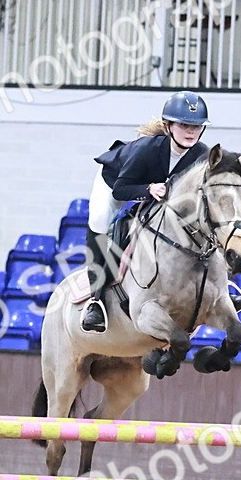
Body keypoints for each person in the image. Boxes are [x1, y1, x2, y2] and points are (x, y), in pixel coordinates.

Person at [80, 91, 212, 333]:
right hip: (116, 182)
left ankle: (217, 290)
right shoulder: (147, 149)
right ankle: (96, 300)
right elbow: (121, 190)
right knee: (100, 221)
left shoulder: (202, 155)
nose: (191, 131)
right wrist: (149, 188)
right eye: (184, 124)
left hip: (159, 191)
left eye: (196, 126)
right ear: (168, 125)